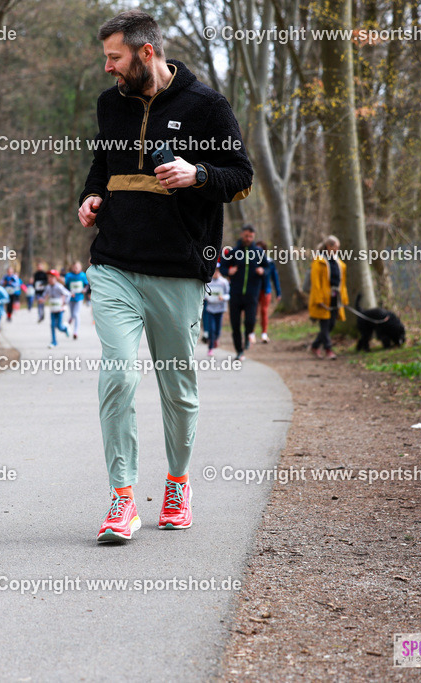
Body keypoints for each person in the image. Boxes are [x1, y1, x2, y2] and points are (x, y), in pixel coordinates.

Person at [78, 10, 253, 541]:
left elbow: (241, 177)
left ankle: (177, 483)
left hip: (178, 270)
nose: (108, 68)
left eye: (115, 57)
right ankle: (123, 497)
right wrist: (90, 198)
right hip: (114, 265)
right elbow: (101, 167)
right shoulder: (111, 105)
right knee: (118, 375)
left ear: (145, 53)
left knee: (178, 388)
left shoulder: (207, 106)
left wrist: (197, 173)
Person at [222, 225, 267, 360]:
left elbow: (268, 268)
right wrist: (227, 272)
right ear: (242, 235)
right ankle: (239, 351)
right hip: (235, 294)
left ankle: (248, 336)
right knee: (235, 325)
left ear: (253, 237)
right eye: (246, 236)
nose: (248, 239)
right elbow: (222, 266)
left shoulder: (259, 252)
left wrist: (263, 271)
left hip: (252, 294)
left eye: (251, 237)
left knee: (250, 321)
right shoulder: (234, 252)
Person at [308, 235, 348, 360]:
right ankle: (328, 350)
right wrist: (318, 299)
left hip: (336, 297)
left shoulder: (339, 263)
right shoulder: (319, 261)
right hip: (323, 298)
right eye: (336, 247)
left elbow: (342, 282)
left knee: (331, 325)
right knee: (324, 325)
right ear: (328, 247)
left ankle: (315, 346)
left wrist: (344, 299)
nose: (337, 250)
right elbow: (316, 283)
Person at [255, 240, 281, 343]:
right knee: (254, 312)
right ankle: (251, 333)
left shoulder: (270, 262)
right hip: (254, 290)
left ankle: (264, 334)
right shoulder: (251, 261)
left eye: (260, 249)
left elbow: (275, 278)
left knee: (264, 311)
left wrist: (278, 292)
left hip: (266, 290)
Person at [204, 268, 229, 356]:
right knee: (211, 329)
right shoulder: (208, 282)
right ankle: (210, 348)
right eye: (215, 270)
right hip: (210, 309)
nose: (216, 273)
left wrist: (223, 298)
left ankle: (216, 339)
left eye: (218, 270)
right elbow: (204, 293)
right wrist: (205, 297)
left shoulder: (224, 282)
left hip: (220, 309)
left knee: (217, 330)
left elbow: (228, 295)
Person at [43, 269, 71, 348]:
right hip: (52, 309)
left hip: (60, 309)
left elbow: (68, 294)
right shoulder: (48, 287)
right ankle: (54, 342)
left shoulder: (59, 287)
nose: (50, 279)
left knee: (59, 326)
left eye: (52, 277)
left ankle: (65, 328)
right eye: (49, 277)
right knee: (52, 325)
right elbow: (45, 295)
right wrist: (42, 299)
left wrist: (64, 302)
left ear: (56, 278)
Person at [63, 261, 89, 339]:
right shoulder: (68, 276)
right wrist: (69, 292)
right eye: (74, 267)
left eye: (77, 267)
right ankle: (69, 321)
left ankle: (75, 332)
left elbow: (87, 285)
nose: (75, 269)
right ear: (72, 267)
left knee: (76, 314)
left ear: (80, 268)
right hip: (71, 298)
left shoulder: (83, 275)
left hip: (79, 298)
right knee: (72, 314)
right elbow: (66, 286)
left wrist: (84, 290)